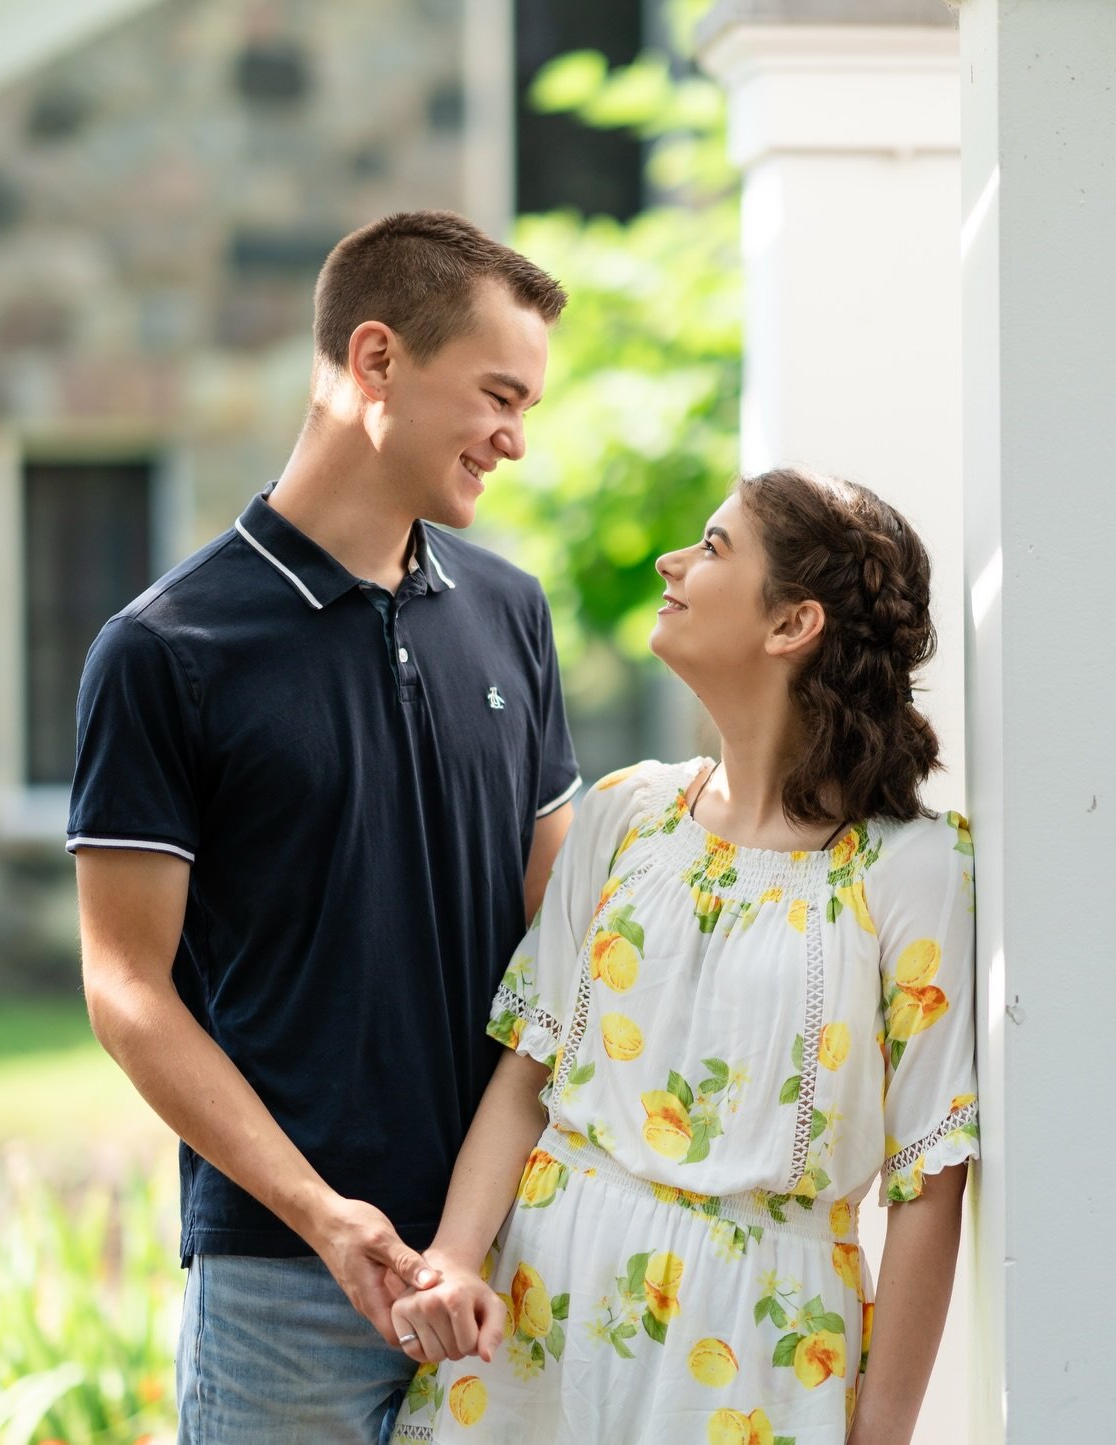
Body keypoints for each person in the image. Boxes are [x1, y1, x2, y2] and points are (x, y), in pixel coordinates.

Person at [68, 210, 582, 1443]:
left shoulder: (512, 613)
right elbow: (126, 987)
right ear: (376, 360)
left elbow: (563, 948)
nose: (516, 439)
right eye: (498, 396)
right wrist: (321, 1213)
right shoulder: (164, 651)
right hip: (282, 1288)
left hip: (507, 1266)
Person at [387, 467, 979, 1444]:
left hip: (753, 1358)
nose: (672, 562)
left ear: (792, 623)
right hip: (541, 1325)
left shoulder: (912, 869)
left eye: (712, 546)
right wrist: (452, 1258)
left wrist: (882, 1435)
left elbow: (929, 1180)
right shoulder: (626, 813)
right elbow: (528, 1076)